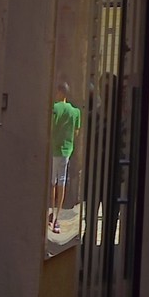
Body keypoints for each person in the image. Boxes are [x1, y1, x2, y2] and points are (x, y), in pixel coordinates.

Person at [50, 81, 81, 232]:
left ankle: (51, 212)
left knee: (52, 181)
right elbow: (76, 132)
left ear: (60, 92)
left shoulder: (54, 108)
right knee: (61, 180)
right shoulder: (75, 112)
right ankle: (57, 217)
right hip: (67, 150)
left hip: (53, 148)